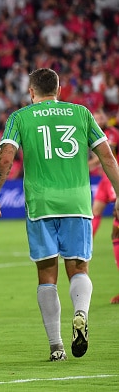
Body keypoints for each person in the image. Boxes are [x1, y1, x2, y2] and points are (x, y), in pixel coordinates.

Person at [0, 67, 119, 361]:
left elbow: (6, 157)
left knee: (47, 275)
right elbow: (107, 156)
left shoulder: (20, 117)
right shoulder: (82, 113)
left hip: (41, 203)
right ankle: (81, 313)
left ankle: (56, 345)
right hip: (77, 201)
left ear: (31, 92)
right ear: (58, 90)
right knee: (79, 268)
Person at [88, 110, 119, 303]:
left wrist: (86, 165)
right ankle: (86, 243)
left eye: (99, 116)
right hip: (105, 178)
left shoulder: (112, 133)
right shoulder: (96, 132)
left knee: (116, 227)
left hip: (115, 178)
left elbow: (106, 155)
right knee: (95, 211)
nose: (96, 119)